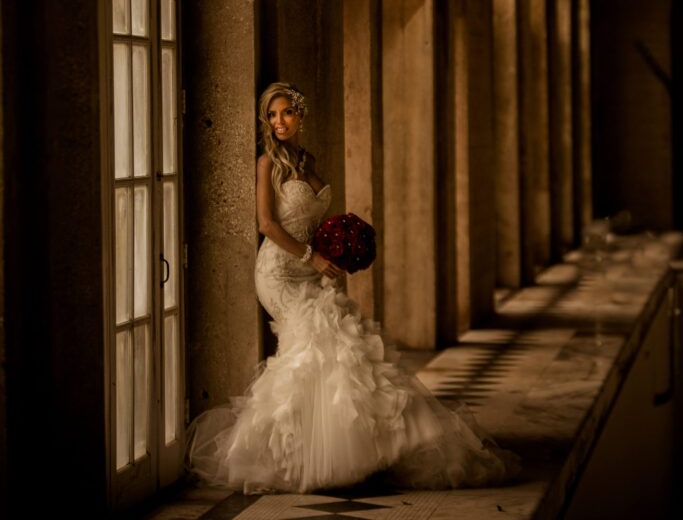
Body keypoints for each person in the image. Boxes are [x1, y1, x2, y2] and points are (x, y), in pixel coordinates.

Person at [185, 81, 520, 494]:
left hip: (310, 266)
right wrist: (313, 256)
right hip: (278, 273)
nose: (279, 122)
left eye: (286, 112)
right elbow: (267, 225)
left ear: (300, 115)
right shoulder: (266, 164)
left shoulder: (306, 160)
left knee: (341, 341)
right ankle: (297, 457)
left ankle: (351, 448)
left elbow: (308, 219)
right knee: (314, 343)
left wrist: (335, 248)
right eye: (271, 115)